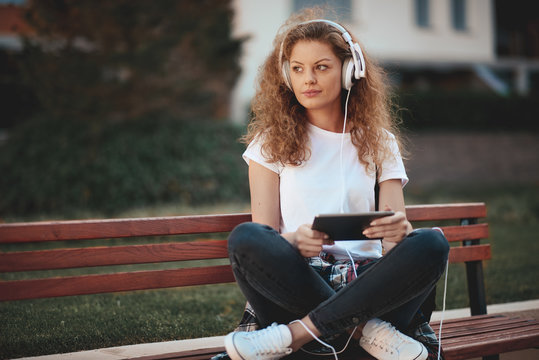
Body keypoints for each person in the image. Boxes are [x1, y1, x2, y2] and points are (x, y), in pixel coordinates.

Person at [223, 8, 449, 360]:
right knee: (245, 238)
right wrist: (294, 241)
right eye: (297, 69)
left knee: (431, 242)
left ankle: (296, 337)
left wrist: (399, 232)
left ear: (349, 72)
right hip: (298, 285)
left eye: (321, 67)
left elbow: (394, 240)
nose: (307, 79)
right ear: (285, 75)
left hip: (372, 287)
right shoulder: (269, 144)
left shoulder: (380, 142)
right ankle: (366, 333)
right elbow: (263, 237)